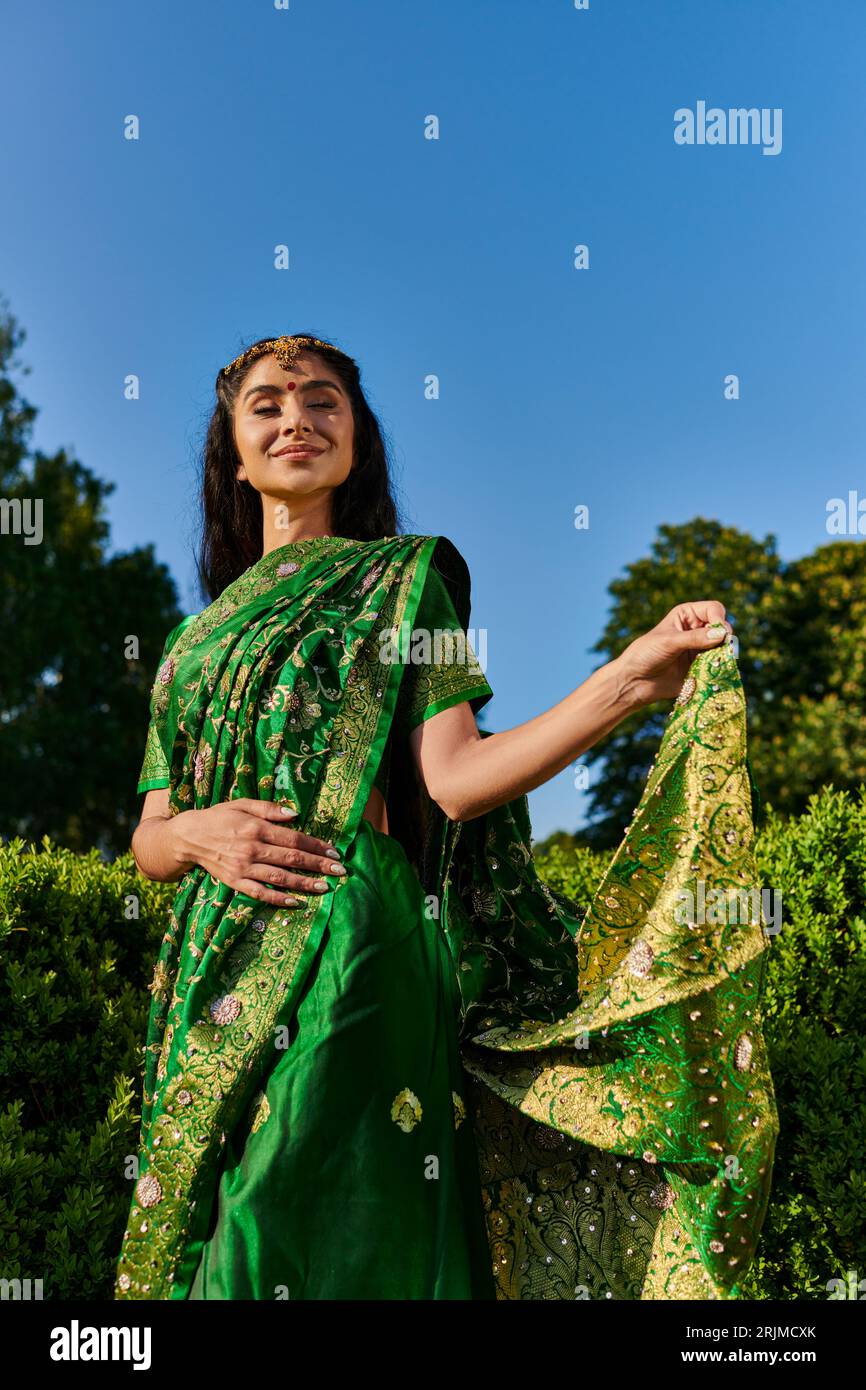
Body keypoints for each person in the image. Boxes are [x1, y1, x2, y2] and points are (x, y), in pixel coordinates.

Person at [115, 333, 778, 1301]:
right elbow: (149, 834)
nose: (296, 416)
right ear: (233, 451)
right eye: (266, 403)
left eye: (322, 400)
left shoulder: (402, 580)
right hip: (206, 979)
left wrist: (629, 679)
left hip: (352, 939)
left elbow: (458, 779)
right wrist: (195, 834)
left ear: (357, 439)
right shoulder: (186, 646)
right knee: (210, 1249)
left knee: (276, 1232)